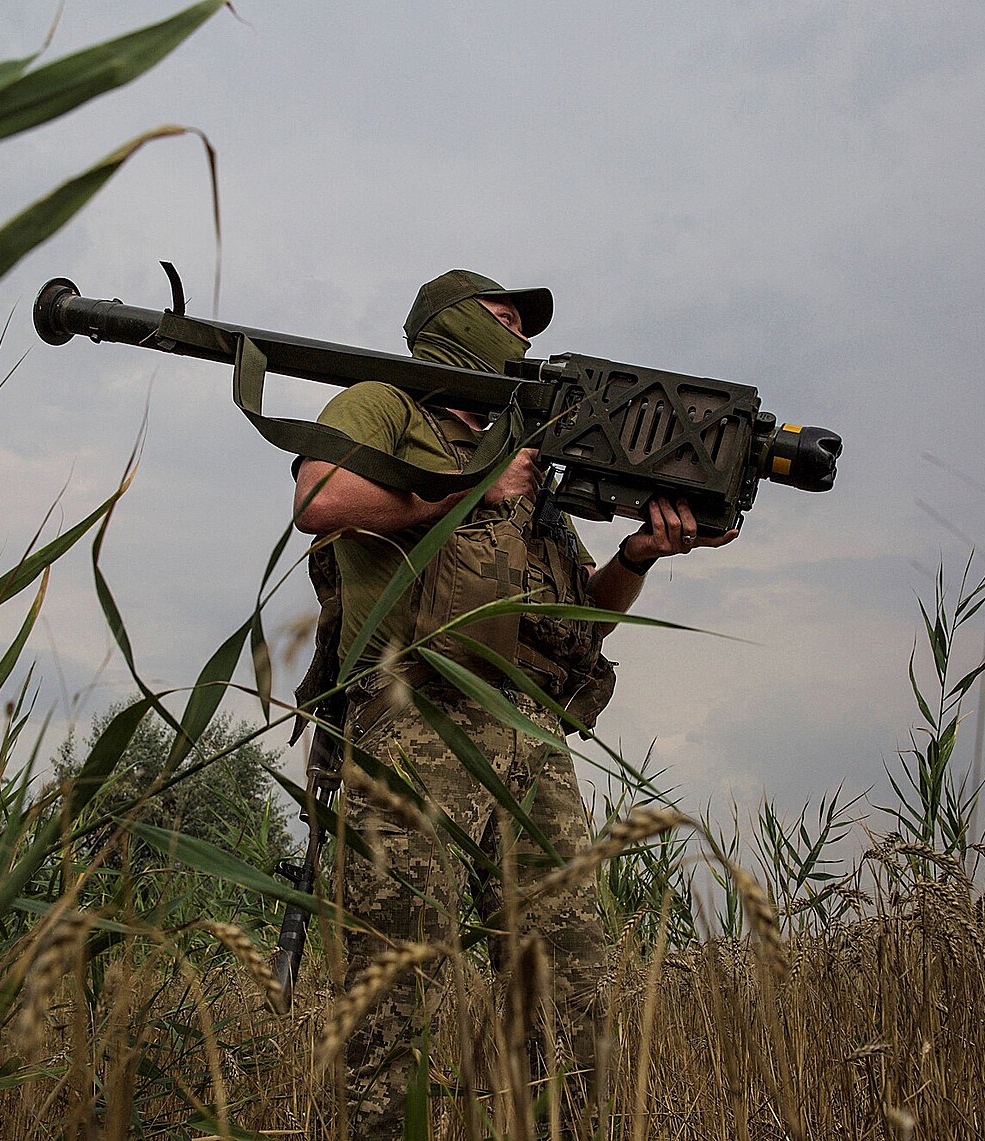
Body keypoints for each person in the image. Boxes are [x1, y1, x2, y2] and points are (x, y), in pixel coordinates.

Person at [291, 269, 736, 1135]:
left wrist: (638, 556)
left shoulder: (532, 458)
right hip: (413, 726)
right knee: (392, 995)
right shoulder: (386, 404)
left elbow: (580, 621)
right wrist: (466, 492)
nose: (521, 337)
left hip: (532, 737)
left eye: (525, 326)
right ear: (447, 327)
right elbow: (317, 498)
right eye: (501, 319)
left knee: (569, 986)